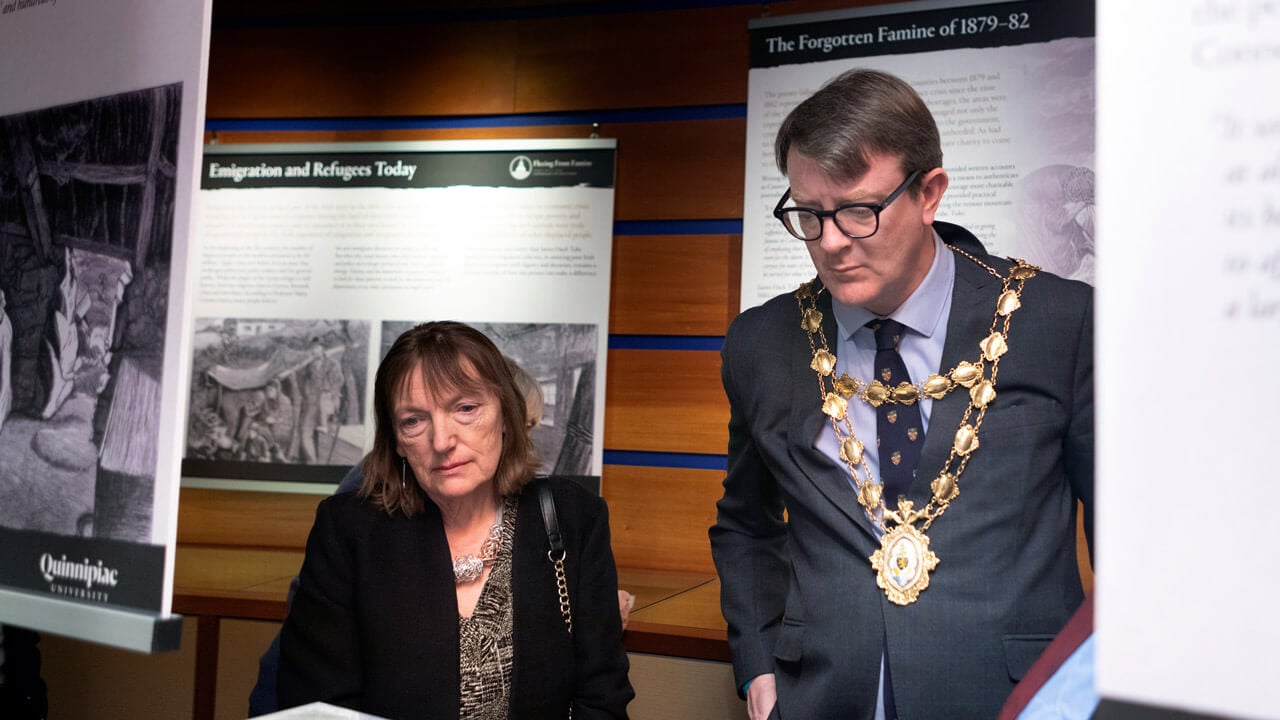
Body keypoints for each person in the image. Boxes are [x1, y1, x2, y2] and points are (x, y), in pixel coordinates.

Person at [708, 69, 1093, 719]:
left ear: (929, 193)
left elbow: (1130, 542)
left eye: (859, 210)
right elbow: (745, 524)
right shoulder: (761, 344)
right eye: (807, 213)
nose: (830, 242)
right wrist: (759, 665)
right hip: (823, 699)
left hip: (1014, 701)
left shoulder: (1059, 322)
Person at [276, 321, 633, 718]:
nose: (442, 441)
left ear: (505, 414)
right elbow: (317, 703)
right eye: (414, 420)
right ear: (396, 439)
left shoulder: (572, 517)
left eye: (465, 409)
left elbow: (602, 698)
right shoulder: (350, 531)